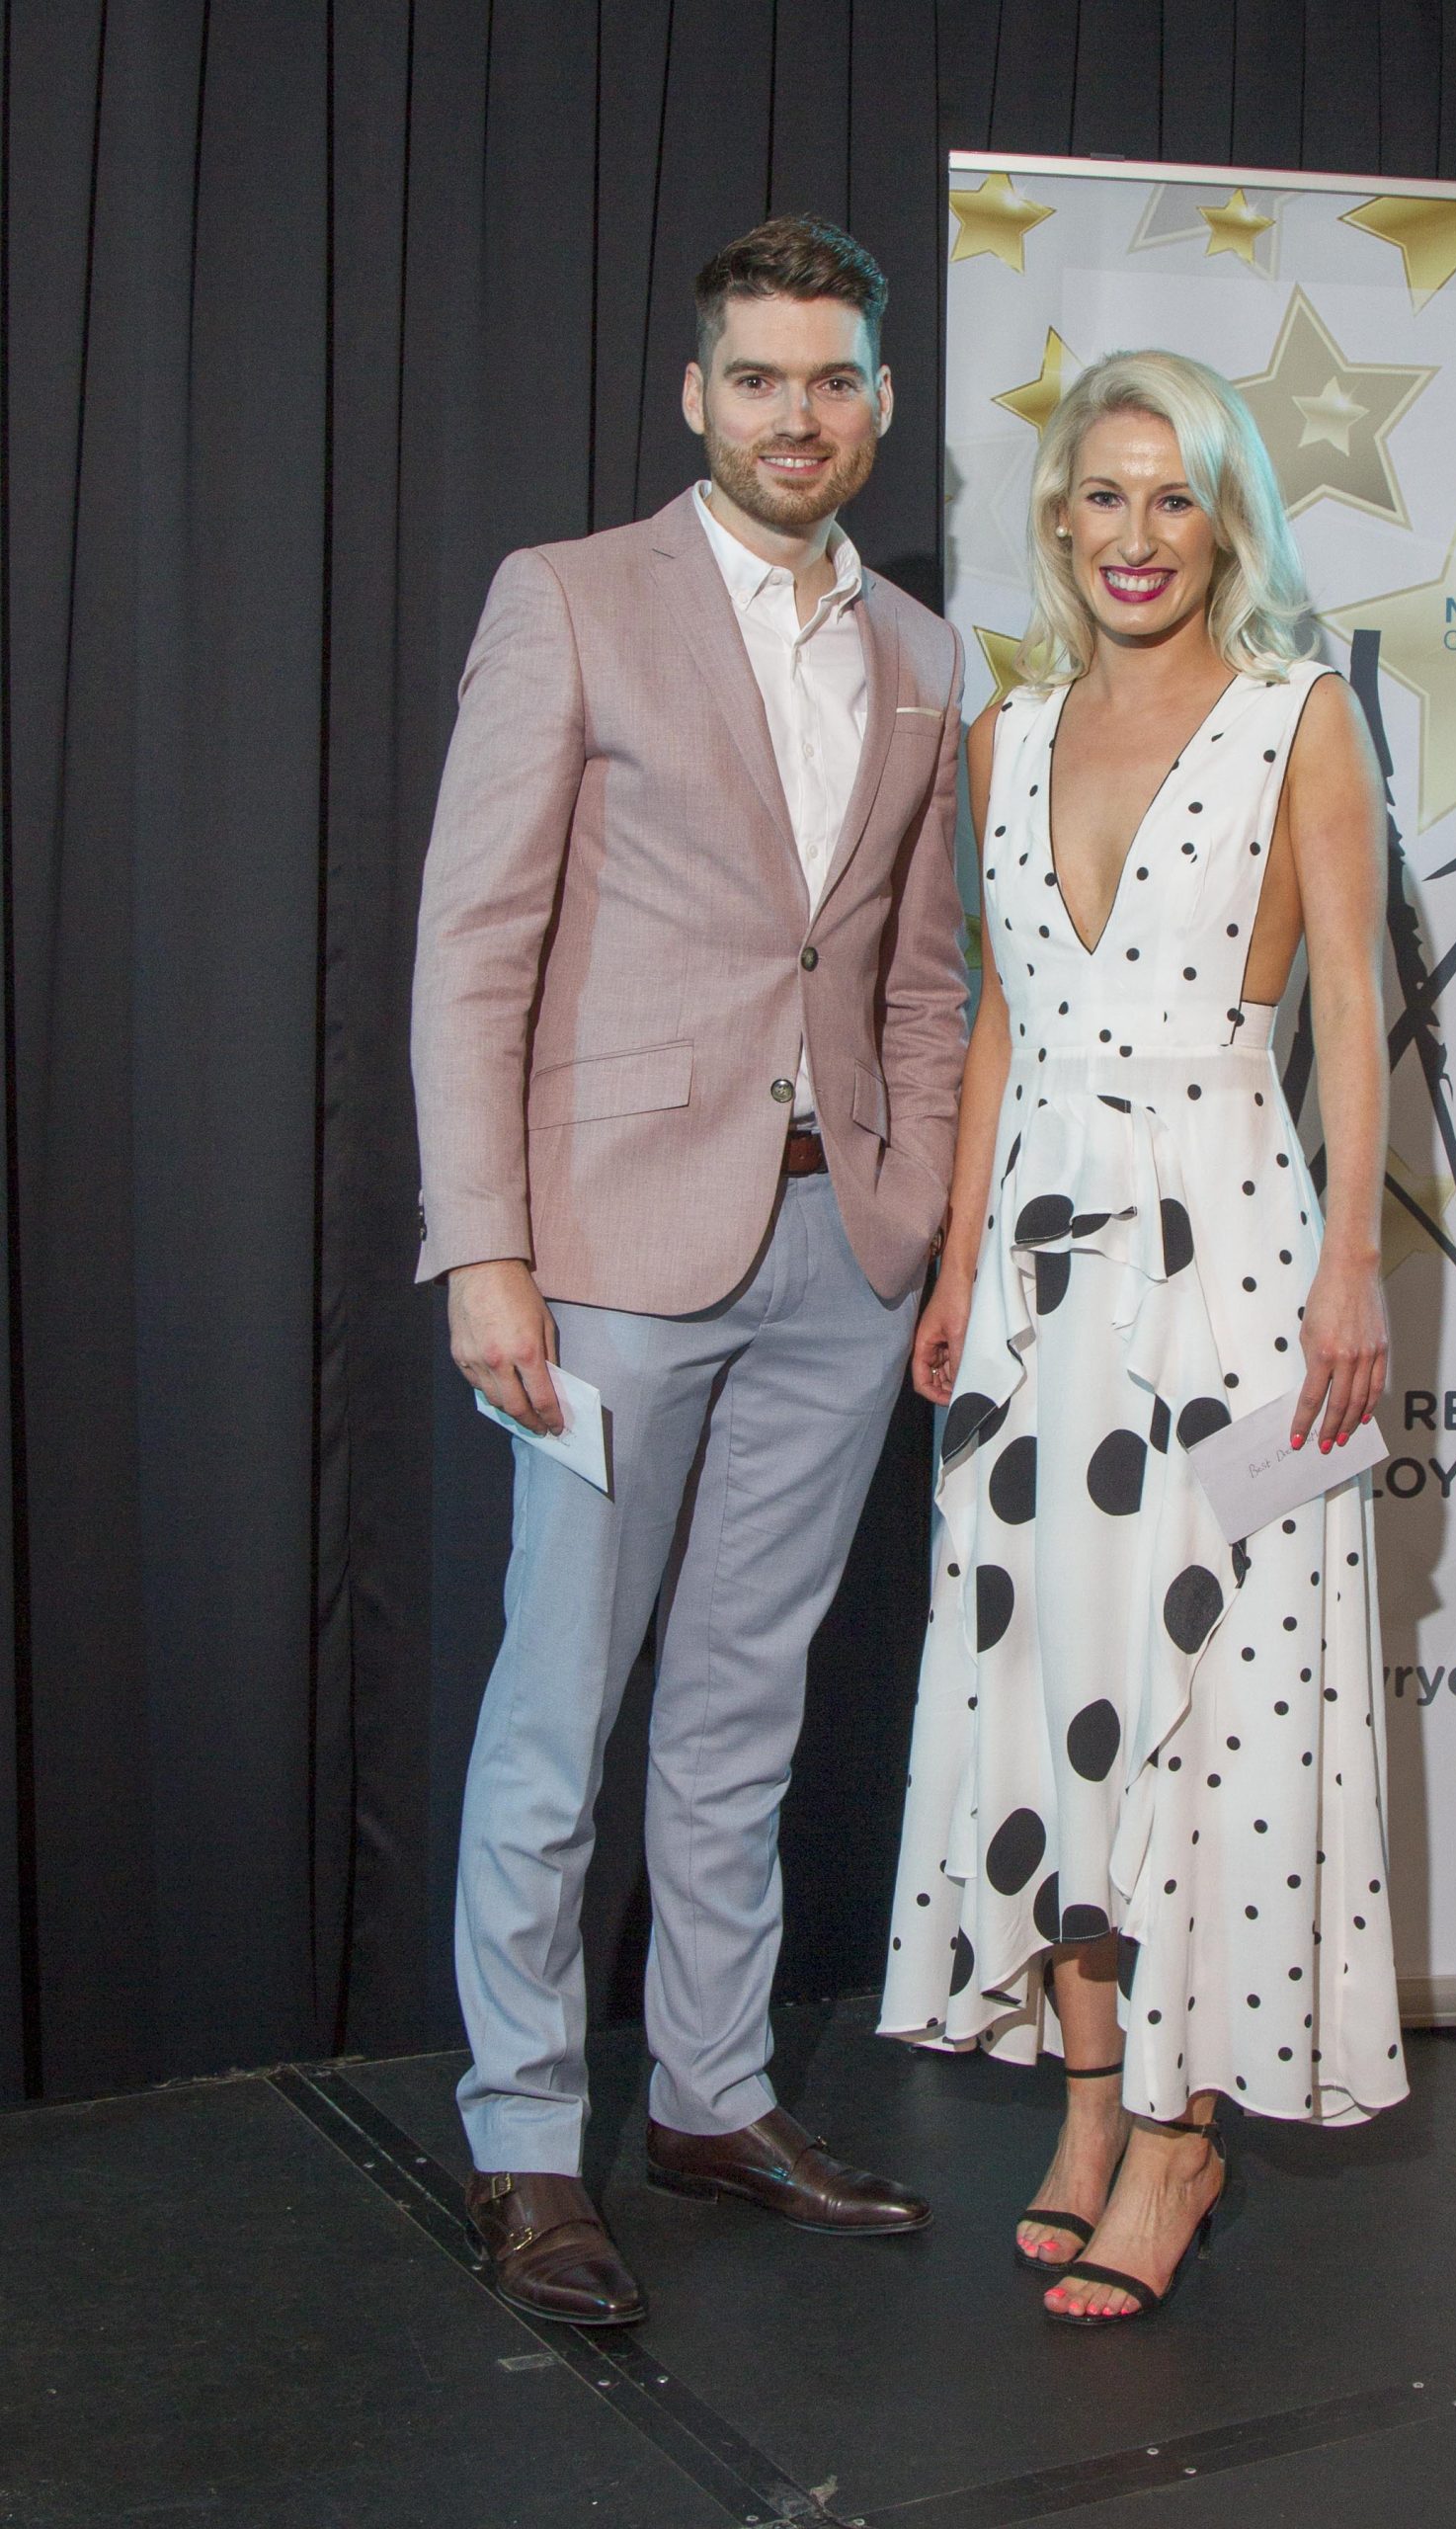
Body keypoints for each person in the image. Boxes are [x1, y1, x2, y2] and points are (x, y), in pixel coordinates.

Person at [411, 214, 968, 2327]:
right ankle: (526, 2139)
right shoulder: (567, 599)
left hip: (842, 1253)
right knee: (558, 1712)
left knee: (746, 1708)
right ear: (695, 395)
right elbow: (476, 944)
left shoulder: (927, 654)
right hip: (612, 1257)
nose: (793, 415)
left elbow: (923, 981)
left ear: (879, 404)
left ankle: (715, 2098)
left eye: (830, 380)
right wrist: (487, 1250)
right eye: (756, 379)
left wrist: (916, 1220)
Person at [878, 351, 1405, 2325]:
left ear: (1224, 521)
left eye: (1173, 496)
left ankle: (1184, 2132)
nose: (1134, 534)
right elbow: (1002, 1016)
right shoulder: (1003, 733)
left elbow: (1348, 1003)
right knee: (1053, 1681)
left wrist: (1353, 1262)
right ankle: (1091, 2101)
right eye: (1103, 494)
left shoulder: (1297, 715)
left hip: (1236, 1265)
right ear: (1058, 516)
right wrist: (955, 1265)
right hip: (1040, 1287)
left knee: (1219, 1688)